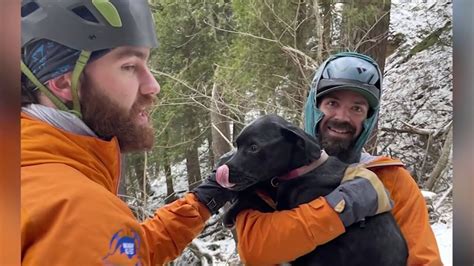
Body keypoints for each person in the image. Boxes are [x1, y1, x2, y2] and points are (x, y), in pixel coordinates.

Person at [20, 1, 233, 265]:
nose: (152, 86)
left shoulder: (32, 181)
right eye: (129, 66)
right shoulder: (76, 211)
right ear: (64, 82)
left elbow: (122, 248)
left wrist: (204, 199)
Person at [234, 52, 442, 265]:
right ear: (314, 107)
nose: (343, 117)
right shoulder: (270, 174)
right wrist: (341, 207)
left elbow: (425, 260)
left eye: (357, 108)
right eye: (332, 103)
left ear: (368, 119)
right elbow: (255, 249)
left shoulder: (390, 178)